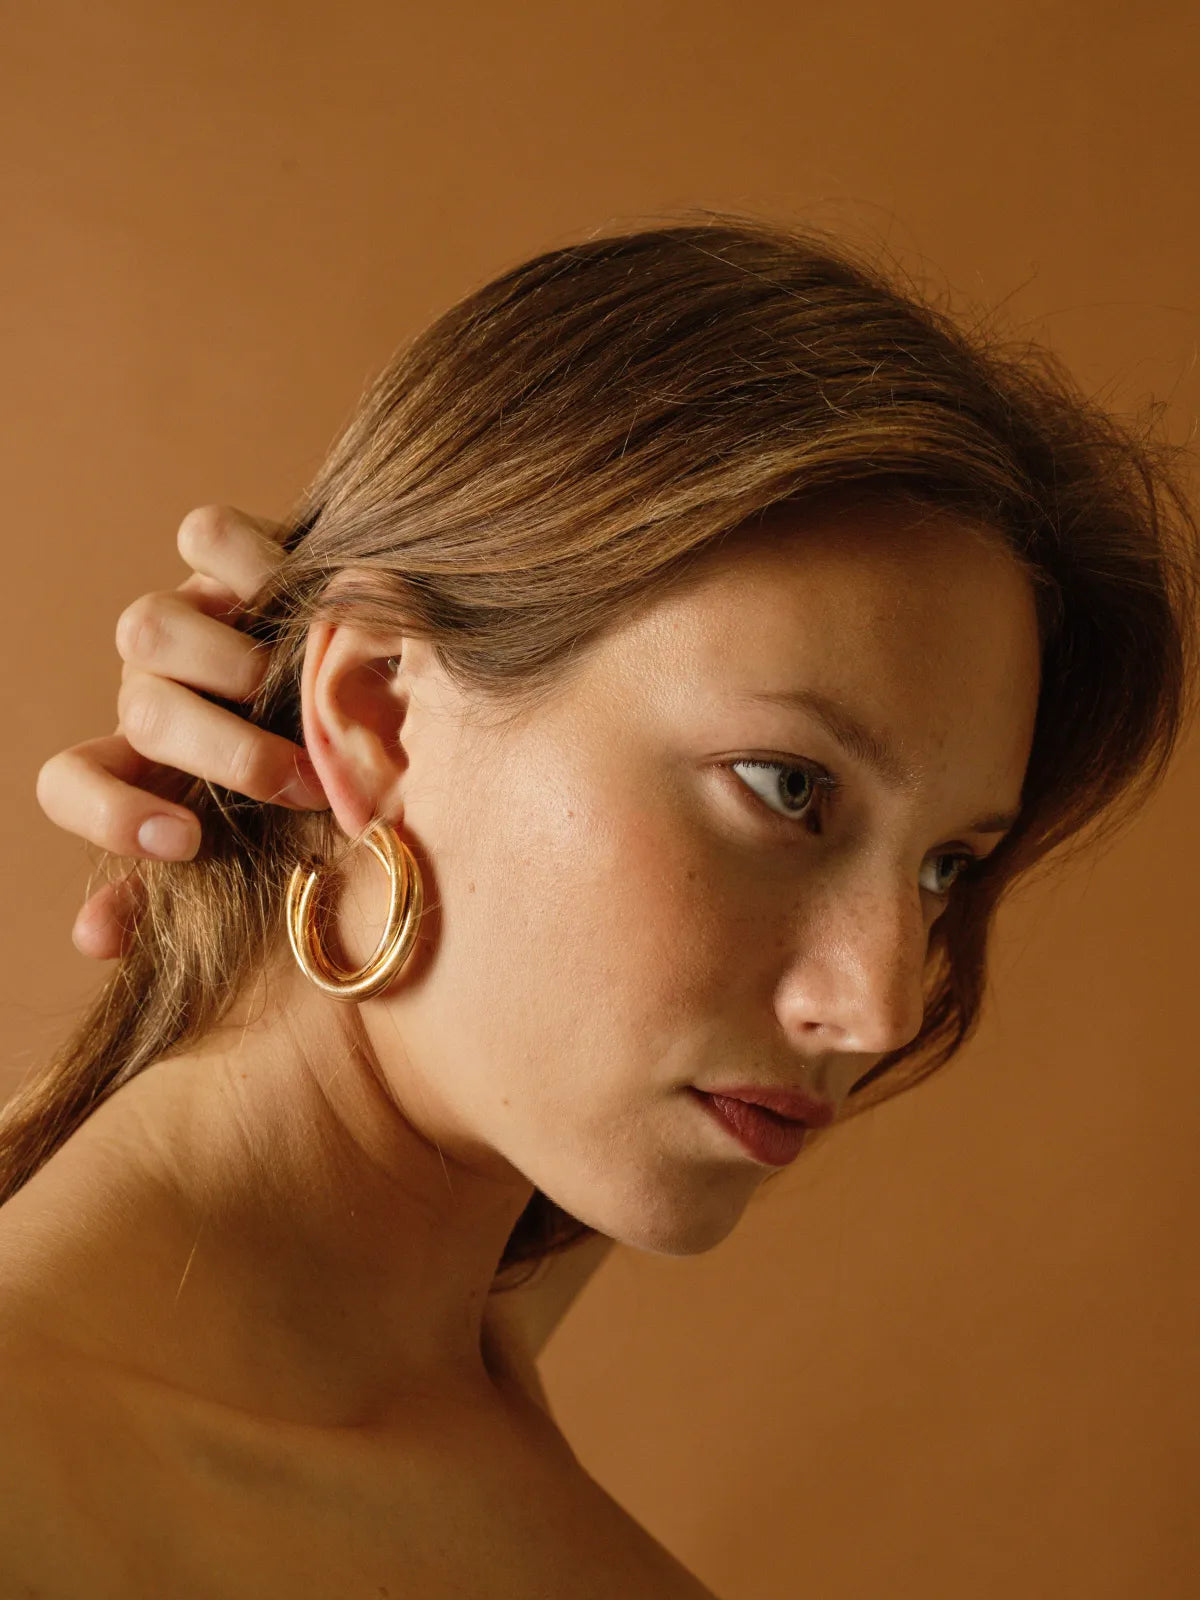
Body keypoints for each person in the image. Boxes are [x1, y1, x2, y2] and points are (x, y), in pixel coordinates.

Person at [4, 215, 1196, 1597]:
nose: (879, 1001)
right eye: (787, 788)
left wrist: (315, 713)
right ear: (378, 712)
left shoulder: (428, 1332)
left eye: (945, 868)